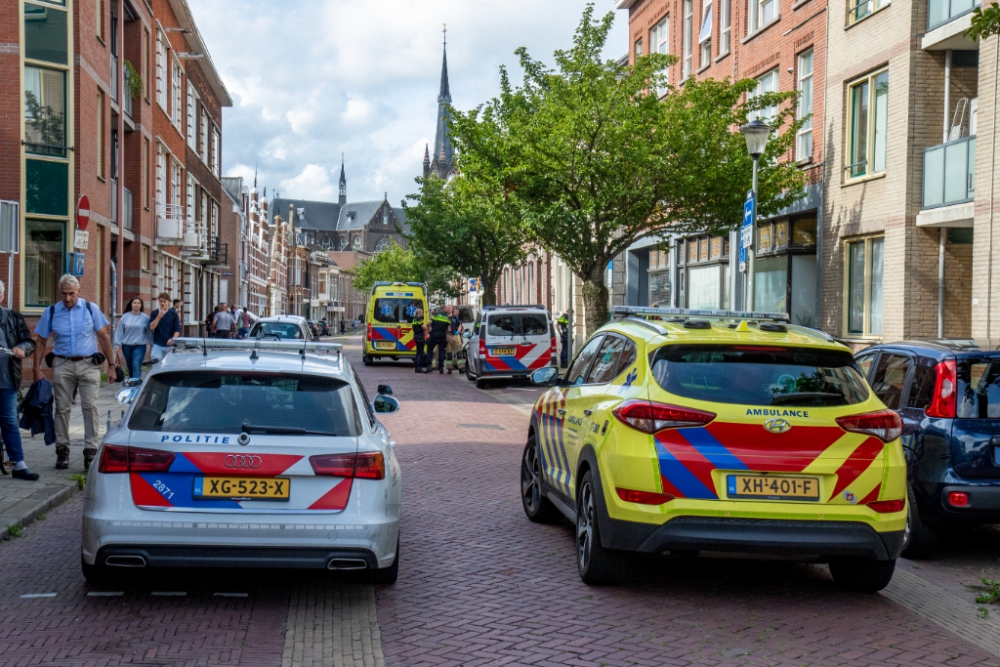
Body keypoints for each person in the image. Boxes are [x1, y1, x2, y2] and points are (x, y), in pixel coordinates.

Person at [32, 274, 116, 470]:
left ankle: (90, 450)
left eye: (71, 293)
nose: (68, 298)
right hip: (63, 363)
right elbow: (41, 341)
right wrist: (36, 368)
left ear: (79, 292)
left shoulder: (90, 309)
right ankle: (62, 450)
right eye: (64, 294)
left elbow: (103, 338)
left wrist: (112, 366)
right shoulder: (51, 312)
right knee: (62, 408)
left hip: (88, 364)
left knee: (90, 407)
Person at [0, 280, 38, 480]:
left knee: (9, 421)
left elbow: (29, 341)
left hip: (6, 380)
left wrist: (22, 348)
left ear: (1, 297)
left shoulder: (13, 318)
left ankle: (18, 464)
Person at [114, 297, 150, 381]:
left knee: (136, 364)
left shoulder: (145, 317)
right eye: (135, 303)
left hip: (140, 346)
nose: (136, 305)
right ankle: (131, 384)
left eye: (138, 303)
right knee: (130, 366)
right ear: (131, 304)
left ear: (141, 305)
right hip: (127, 346)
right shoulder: (125, 317)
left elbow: (149, 332)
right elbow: (119, 331)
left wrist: (152, 343)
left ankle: (136, 385)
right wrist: (117, 344)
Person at [149, 292, 181, 363]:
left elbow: (177, 329)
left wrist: (173, 339)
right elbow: (151, 327)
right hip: (158, 344)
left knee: (169, 366)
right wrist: (159, 316)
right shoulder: (154, 313)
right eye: (160, 301)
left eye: (164, 301)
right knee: (156, 364)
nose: (162, 303)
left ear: (168, 302)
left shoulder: (174, 314)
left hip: (170, 345)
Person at [427, 310, 450, 374]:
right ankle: (441, 368)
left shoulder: (435, 316)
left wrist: (429, 330)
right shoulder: (446, 318)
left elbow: (428, 323)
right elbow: (449, 329)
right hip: (442, 335)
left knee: (430, 349)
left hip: (434, 334)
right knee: (441, 351)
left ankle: (429, 366)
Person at [445, 305, 465, 374]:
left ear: (452, 309)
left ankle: (461, 368)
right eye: (448, 308)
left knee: (459, 353)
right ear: (446, 309)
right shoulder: (444, 317)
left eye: (450, 308)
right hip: (448, 336)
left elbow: (460, 325)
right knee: (449, 354)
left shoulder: (455, 317)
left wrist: (458, 331)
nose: (449, 309)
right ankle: (449, 368)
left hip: (456, 336)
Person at [411, 308, 427, 373]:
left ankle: (416, 367)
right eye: (422, 312)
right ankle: (419, 368)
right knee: (420, 353)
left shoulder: (414, 319)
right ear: (418, 313)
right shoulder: (419, 319)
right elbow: (424, 327)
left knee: (418, 352)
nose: (423, 314)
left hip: (416, 336)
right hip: (420, 336)